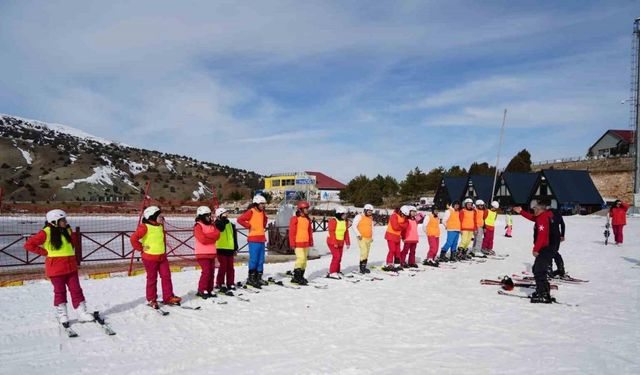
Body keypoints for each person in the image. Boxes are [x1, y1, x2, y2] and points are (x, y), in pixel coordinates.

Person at [24, 209, 95, 324]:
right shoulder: (45, 232)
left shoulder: (67, 229)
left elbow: (72, 243)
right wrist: (45, 252)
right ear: (53, 221)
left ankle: (82, 313)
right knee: (60, 291)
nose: (65, 222)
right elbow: (29, 245)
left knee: (76, 290)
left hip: (71, 267)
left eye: (65, 220)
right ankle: (63, 315)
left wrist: (71, 233)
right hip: (56, 269)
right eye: (62, 220)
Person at [130, 206, 182, 309]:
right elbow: (133, 239)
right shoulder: (144, 227)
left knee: (166, 276)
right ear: (152, 217)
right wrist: (141, 247)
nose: (162, 218)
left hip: (162, 257)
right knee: (152, 279)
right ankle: (151, 299)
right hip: (149, 258)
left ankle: (168, 297)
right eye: (159, 216)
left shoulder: (160, 226)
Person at [513, 204, 556, 303]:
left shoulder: (542, 218)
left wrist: (535, 249)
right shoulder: (543, 216)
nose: (533, 210)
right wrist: (521, 212)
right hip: (548, 247)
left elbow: (542, 235)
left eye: (535, 209)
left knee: (539, 270)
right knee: (539, 269)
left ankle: (543, 294)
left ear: (540, 209)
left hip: (545, 248)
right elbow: (533, 218)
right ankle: (544, 290)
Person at [237, 195, 269, 288]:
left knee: (261, 260)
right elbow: (240, 219)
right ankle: (251, 278)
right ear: (256, 204)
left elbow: (263, 224)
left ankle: (258, 278)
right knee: (254, 259)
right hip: (253, 239)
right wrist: (248, 226)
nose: (263, 206)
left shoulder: (262, 213)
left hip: (261, 239)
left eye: (264, 204)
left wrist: (265, 218)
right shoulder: (251, 211)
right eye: (262, 204)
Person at [193, 206, 220, 299]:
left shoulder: (212, 225)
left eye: (209, 215)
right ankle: (202, 289)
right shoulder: (198, 226)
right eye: (206, 215)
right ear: (201, 216)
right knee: (206, 272)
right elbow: (202, 239)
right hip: (202, 253)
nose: (209, 217)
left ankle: (209, 289)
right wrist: (212, 238)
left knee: (211, 272)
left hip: (212, 253)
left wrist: (208, 236)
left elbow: (217, 235)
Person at [289, 201, 314, 285]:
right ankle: (296, 277)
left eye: (307, 208)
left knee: (305, 261)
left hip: (306, 242)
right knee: (301, 258)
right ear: (300, 209)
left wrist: (311, 241)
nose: (307, 210)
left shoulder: (307, 219)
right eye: (305, 208)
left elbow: (309, 231)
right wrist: (292, 243)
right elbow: (292, 232)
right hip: (298, 243)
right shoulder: (295, 219)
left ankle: (301, 276)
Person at [214, 207, 238, 293]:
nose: (227, 215)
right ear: (219, 215)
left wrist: (235, 247)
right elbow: (221, 228)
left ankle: (230, 283)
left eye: (226, 213)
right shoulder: (217, 223)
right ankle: (220, 283)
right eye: (224, 213)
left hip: (230, 249)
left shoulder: (230, 224)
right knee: (222, 267)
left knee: (230, 268)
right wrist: (222, 219)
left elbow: (234, 236)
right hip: (221, 248)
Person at [326, 206, 351, 278]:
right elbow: (332, 232)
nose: (345, 216)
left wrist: (347, 242)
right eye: (344, 214)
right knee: (336, 257)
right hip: (332, 241)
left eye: (346, 214)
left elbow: (346, 232)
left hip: (340, 241)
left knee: (339, 257)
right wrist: (335, 243)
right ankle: (332, 272)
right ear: (339, 214)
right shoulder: (333, 221)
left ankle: (337, 271)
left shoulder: (345, 221)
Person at [383, 206, 410, 271]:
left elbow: (404, 229)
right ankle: (389, 264)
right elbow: (395, 227)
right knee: (392, 250)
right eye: (403, 215)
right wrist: (403, 226)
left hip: (397, 237)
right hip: (390, 235)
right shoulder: (394, 216)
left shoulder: (405, 219)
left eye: (405, 216)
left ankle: (397, 264)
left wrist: (403, 237)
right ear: (400, 212)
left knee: (398, 251)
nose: (404, 216)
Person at [352, 204, 374, 273]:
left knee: (366, 253)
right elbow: (354, 226)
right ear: (365, 210)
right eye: (368, 211)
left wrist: (371, 236)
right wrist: (358, 234)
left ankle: (364, 267)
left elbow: (371, 227)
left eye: (371, 211)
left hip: (369, 238)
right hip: (362, 237)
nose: (370, 213)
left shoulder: (370, 217)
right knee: (364, 252)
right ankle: (361, 268)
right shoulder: (359, 216)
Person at [548, 208, 566, 278]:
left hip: (550, 236)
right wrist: (562, 235)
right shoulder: (558, 214)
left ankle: (549, 270)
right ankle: (561, 269)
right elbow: (563, 225)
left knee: (549, 252)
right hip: (557, 236)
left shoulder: (547, 213)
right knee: (555, 252)